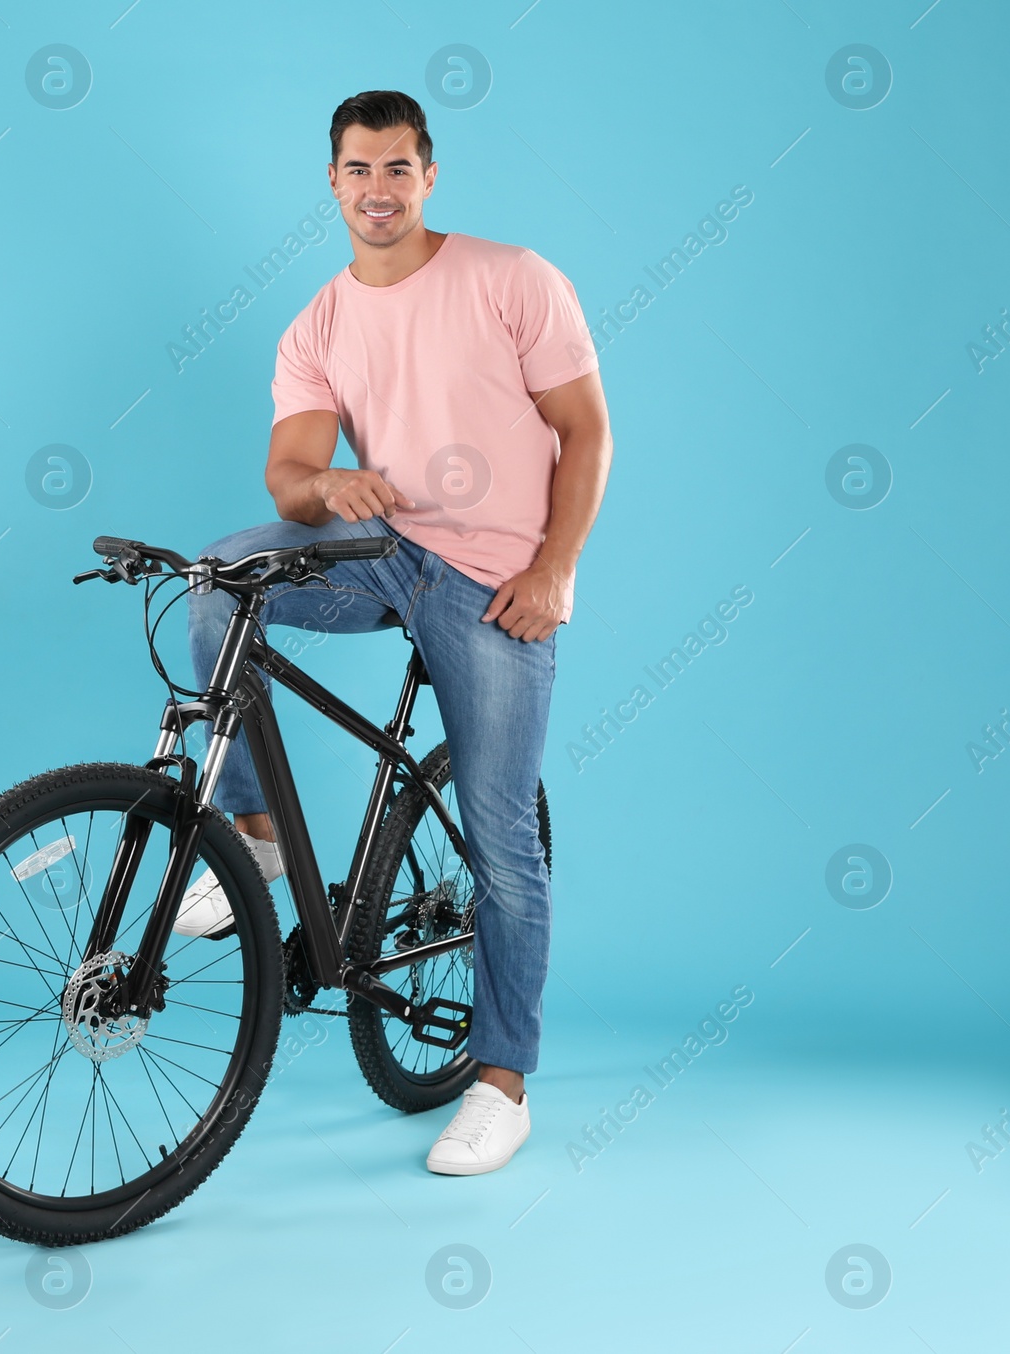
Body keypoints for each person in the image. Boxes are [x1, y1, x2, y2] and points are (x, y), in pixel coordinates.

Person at [176, 90, 613, 1175]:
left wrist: (555, 567)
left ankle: (501, 1079)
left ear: (429, 176)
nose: (378, 189)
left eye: (398, 169)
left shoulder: (513, 279)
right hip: (384, 556)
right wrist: (323, 486)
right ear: (331, 182)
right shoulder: (317, 322)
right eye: (358, 170)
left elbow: (586, 430)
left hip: (494, 578)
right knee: (218, 572)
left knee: (498, 838)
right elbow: (287, 472)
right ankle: (262, 833)